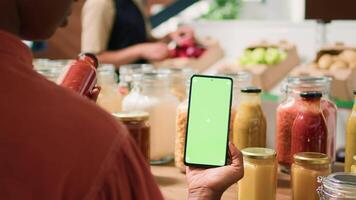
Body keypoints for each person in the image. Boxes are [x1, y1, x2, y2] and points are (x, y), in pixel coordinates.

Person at [0, 0, 244, 200]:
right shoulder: (102, 140)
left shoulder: (136, 4)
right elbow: (94, 54)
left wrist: (167, 38)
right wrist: (202, 194)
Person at [81, 0, 195, 66]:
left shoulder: (136, 2)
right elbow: (91, 59)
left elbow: (144, 41)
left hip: (142, 81)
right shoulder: (100, 3)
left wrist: (170, 37)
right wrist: (139, 51)